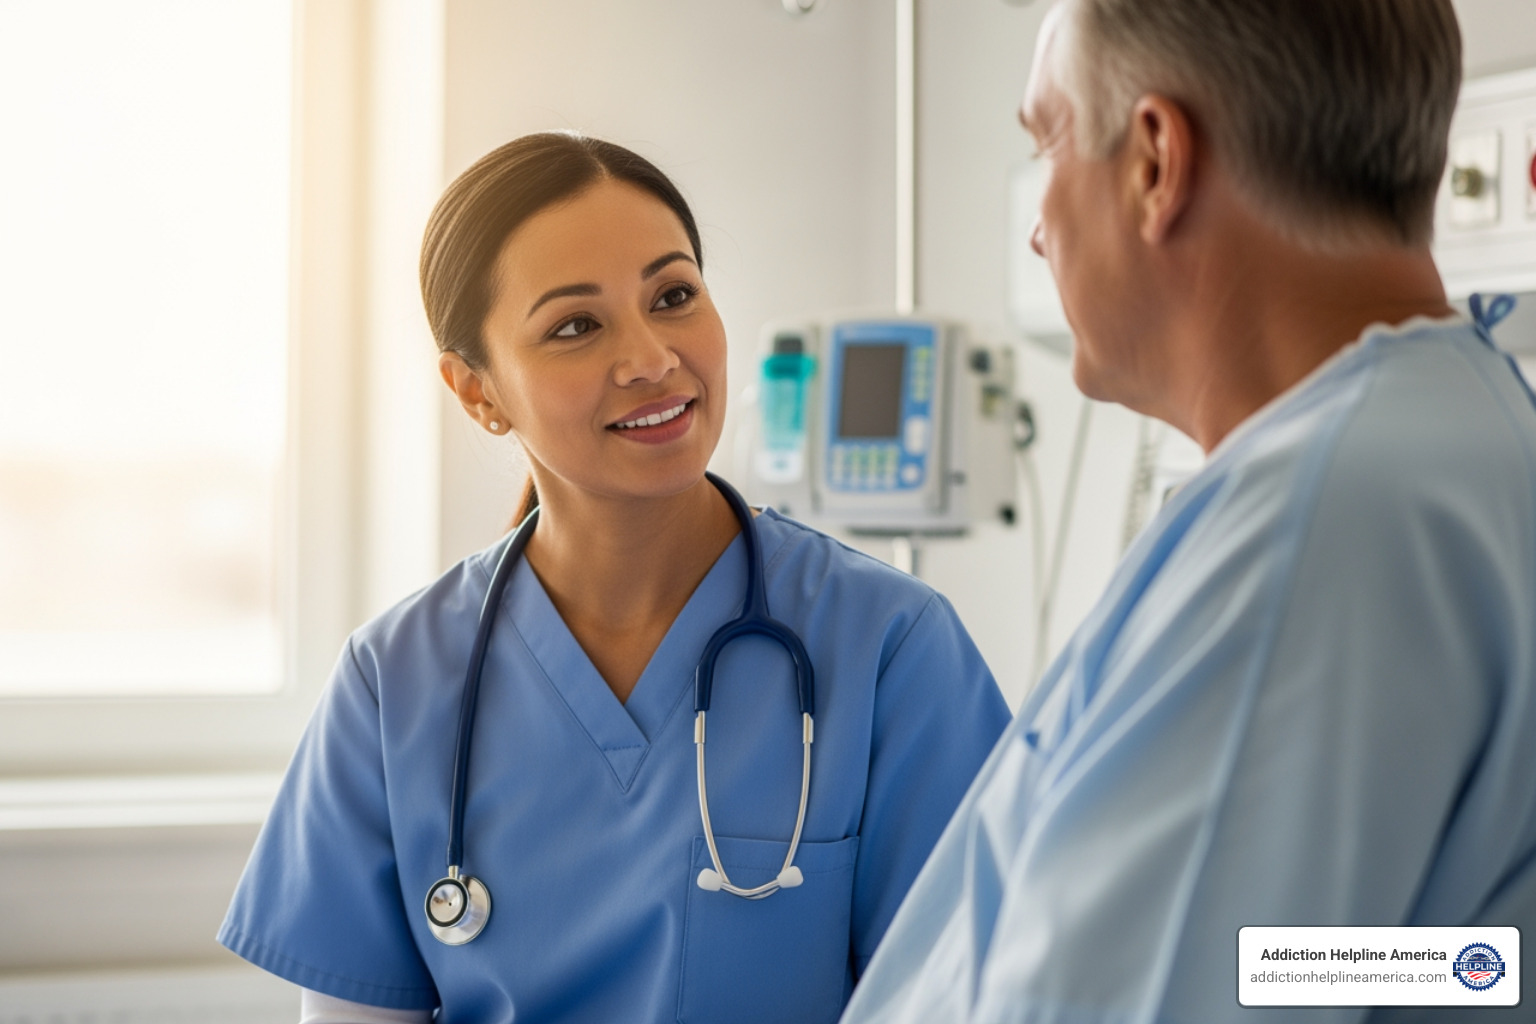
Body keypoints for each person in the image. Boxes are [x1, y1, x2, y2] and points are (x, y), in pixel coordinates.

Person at [840, 1, 1536, 1021]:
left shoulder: (1321, 519)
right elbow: (1361, 957)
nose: (1035, 228)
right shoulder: (1460, 435)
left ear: (1156, 162)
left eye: (1047, 143)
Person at [217, 133, 1011, 1023]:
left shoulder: (889, 648)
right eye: (575, 326)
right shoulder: (391, 683)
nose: (650, 358)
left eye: (673, 296)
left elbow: (972, 991)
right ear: (477, 390)